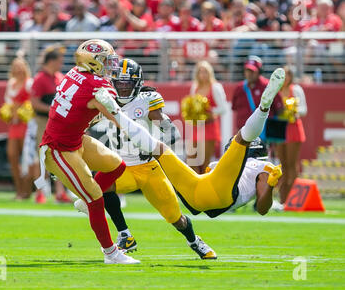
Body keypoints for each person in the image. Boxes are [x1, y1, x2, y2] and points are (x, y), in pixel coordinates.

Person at [94, 68, 285, 220]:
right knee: (241, 138)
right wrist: (270, 185)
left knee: (160, 150)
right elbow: (261, 209)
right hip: (213, 196)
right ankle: (263, 109)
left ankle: (262, 109)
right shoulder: (263, 167)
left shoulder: (246, 165)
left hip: (196, 195)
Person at [77, 58, 216, 260]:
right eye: (120, 83)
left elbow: (171, 132)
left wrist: (152, 147)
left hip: (148, 167)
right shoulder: (104, 98)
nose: (123, 89)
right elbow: (86, 126)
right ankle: (125, 234)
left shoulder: (147, 100)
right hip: (120, 165)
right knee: (99, 187)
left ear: (137, 83)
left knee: (175, 217)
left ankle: (194, 241)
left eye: (128, 84)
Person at [34, 39, 140, 265]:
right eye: (105, 61)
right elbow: (117, 116)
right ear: (92, 62)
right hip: (58, 150)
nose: (110, 65)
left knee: (116, 165)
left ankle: (85, 202)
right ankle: (111, 254)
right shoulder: (94, 86)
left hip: (75, 140)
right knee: (95, 197)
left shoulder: (75, 72)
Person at [30, 45, 71, 204]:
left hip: (58, 123)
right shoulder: (40, 79)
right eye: (59, 61)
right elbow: (34, 103)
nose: (61, 64)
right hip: (43, 122)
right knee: (41, 157)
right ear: (51, 61)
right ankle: (39, 192)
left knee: (58, 156)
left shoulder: (60, 77)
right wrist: (53, 110)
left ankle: (60, 192)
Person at [186, 61, 228, 174]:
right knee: (191, 159)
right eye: (200, 71)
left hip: (209, 128)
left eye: (205, 71)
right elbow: (191, 104)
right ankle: (194, 186)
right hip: (197, 127)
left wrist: (208, 111)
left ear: (210, 73)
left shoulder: (215, 87)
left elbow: (223, 108)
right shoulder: (194, 87)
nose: (203, 74)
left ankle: (204, 189)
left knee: (205, 162)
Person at [275, 66, 307, 208]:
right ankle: (283, 200)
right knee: (282, 166)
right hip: (279, 130)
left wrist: (292, 111)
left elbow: (304, 109)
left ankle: (293, 200)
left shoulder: (297, 89)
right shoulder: (276, 91)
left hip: (293, 129)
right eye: (283, 75)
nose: (285, 78)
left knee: (292, 165)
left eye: (287, 75)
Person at [2, 57, 33, 200]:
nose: (18, 69)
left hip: (27, 124)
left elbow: (33, 100)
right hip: (14, 124)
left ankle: (27, 191)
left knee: (27, 159)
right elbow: (7, 102)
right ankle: (19, 190)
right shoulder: (11, 84)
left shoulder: (29, 83)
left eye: (21, 66)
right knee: (12, 155)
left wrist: (21, 110)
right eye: (15, 66)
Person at [232, 56, 283, 134]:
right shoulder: (239, 88)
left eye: (252, 71)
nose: (249, 74)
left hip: (264, 133)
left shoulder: (269, 86)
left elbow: (279, 109)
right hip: (242, 133)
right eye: (247, 71)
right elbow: (234, 107)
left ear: (259, 72)